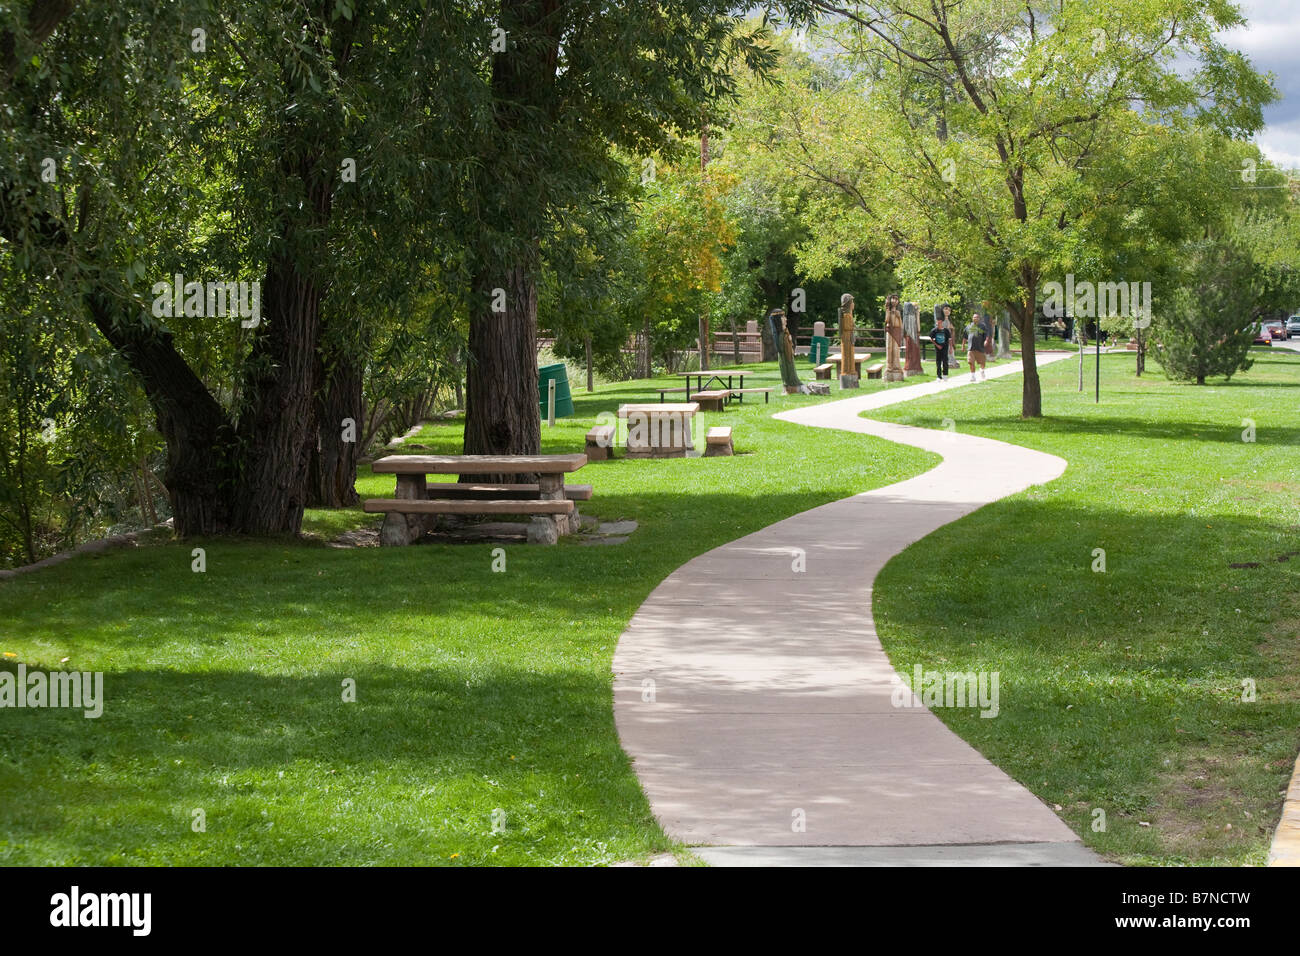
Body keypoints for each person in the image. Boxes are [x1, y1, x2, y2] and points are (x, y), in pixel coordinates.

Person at [965, 312, 989, 381]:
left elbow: (986, 335)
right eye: (974, 317)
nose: (975, 318)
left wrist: (986, 341)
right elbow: (965, 336)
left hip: (980, 348)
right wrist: (963, 345)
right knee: (971, 362)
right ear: (972, 318)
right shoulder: (969, 326)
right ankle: (973, 376)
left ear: (979, 318)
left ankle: (982, 371)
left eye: (977, 317)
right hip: (971, 348)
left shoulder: (982, 326)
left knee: (982, 362)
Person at [931, 314, 952, 379]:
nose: (938, 323)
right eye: (937, 322)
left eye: (940, 322)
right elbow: (932, 339)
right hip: (938, 349)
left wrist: (950, 348)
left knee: (945, 361)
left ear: (942, 322)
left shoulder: (946, 331)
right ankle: (939, 375)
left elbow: (950, 339)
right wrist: (937, 345)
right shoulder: (934, 331)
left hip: (945, 348)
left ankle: (945, 374)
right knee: (938, 362)